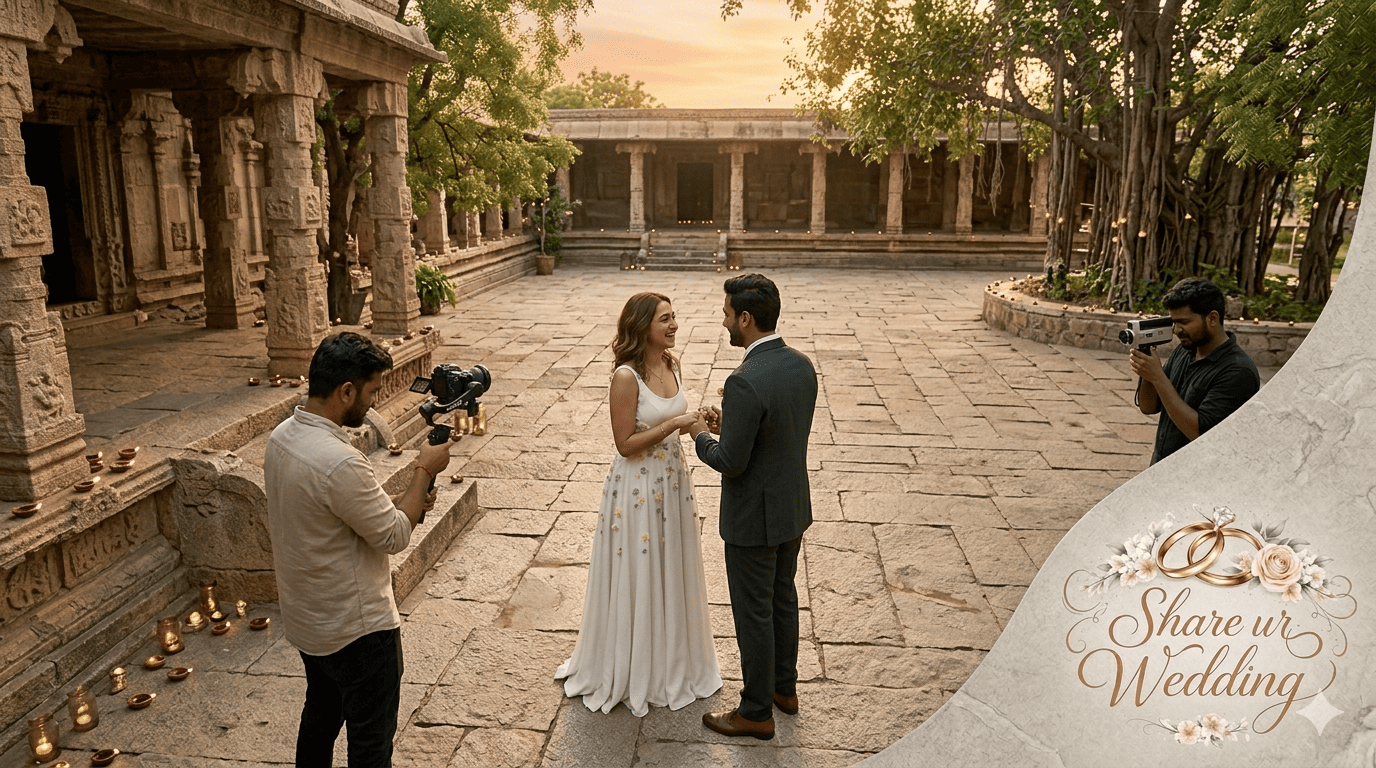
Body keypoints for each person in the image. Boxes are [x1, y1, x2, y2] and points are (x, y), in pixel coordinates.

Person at [264, 332, 451, 767]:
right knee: (370, 744)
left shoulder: (281, 437)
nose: (373, 403)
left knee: (320, 717)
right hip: (358, 631)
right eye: (370, 392)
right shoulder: (340, 460)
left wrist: (413, 495)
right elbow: (393, 536)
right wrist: (424, 469)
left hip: (310, 621)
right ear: (345, 391)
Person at [555, 292, 722, 716]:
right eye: (665, 320)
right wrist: (673, 423)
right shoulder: (626, 377)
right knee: (640, 567)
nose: (673, 326)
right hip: (637, 488)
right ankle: (631, 666)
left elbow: (674, 426)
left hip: (672, 482)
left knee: (672, 565)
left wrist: (698, 422)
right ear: (642, 325)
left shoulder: (672, 363)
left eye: (674, 318)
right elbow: (625, 443)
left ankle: (673, 662)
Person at [686, 273, 818, 741]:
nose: (723, 322)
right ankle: (785, 689)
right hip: (792, 509)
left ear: (745, 318)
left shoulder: (743, 380)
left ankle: (756, 711)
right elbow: (777, 433)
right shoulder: (801, 365)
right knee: (783, 597)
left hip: (753, 520)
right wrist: (735, 424)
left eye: (726, 314)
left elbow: (731, 462)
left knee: (754, 611)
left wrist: (700, 434)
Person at [1129, 278, 1260, 464]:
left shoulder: (1238, 371)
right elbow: (1149, 406)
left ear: (1212, 318)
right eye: (1173, 322)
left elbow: (1201, 433)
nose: (1176, 330)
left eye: (1184, 322)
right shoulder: (1184, 351)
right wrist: (1147, 373)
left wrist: (1158, 377)